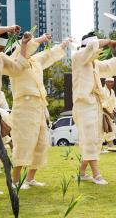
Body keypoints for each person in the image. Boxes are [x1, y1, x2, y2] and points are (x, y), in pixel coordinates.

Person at [4, 32, 71, 189]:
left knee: (41, 143)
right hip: (23, 108)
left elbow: (49, 54)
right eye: (25, 44)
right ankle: (14, 181)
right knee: (24, 143)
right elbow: (22, 51)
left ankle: (30, 178)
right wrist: (36, 40)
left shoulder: (35, 61)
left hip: (39, 107)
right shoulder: (14, 63)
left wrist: (64, 43)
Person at [72, 32, 116, 185]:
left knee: (95, 138)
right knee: (90, 137)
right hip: (83, 103)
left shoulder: (95, 64)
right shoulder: (78, 57)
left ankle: (82, 172)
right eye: (97, 47)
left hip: (95, 103)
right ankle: (96, 174)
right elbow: (92, 46)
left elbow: (110, 66)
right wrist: (109, 40)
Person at [102, 77, 116, 152]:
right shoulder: (103, 91)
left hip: (110, 114)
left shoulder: (112, 91)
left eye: (112, 82)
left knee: (111, 129)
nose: (110, 83)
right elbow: (102, 105)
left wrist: (114, 112)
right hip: (103, 113)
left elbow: (114, 103)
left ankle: (110, 146)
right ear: (106, 82)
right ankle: (99, 148)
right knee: (102, 130)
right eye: (109, 82)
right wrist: (109, 113)